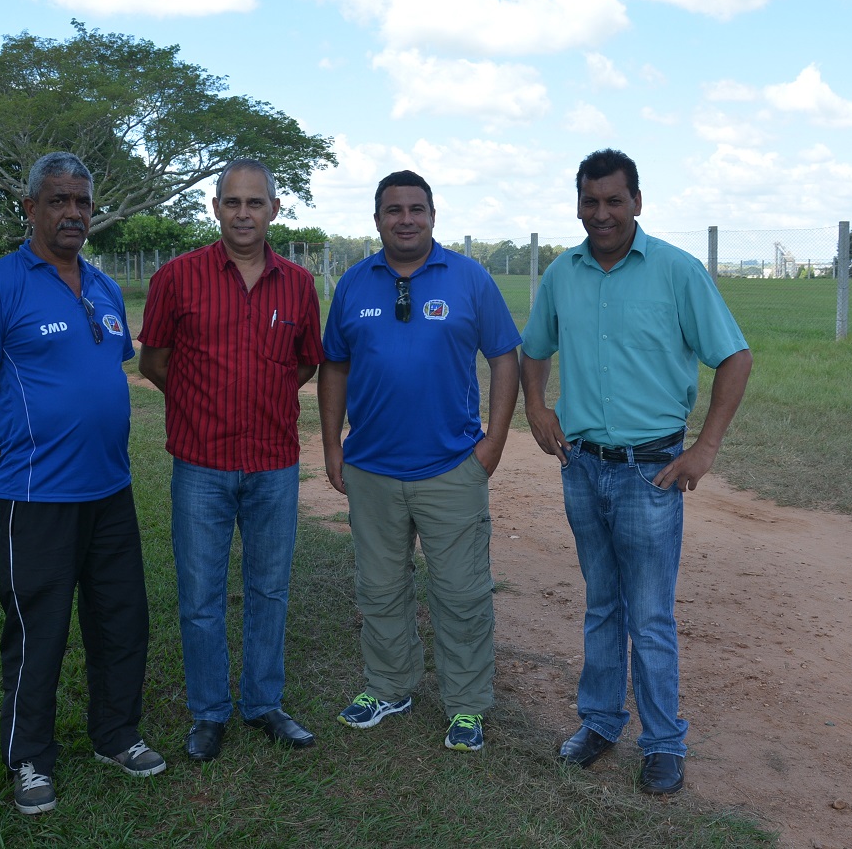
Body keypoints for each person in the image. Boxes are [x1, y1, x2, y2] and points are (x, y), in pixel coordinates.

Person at [520, 148, 752, 796]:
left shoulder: (677, 272)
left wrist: (703, 449)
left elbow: (734, 357)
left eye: (614, 201)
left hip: (652, 475)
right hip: (583, 468)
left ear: (638, 203)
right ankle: (598, 723)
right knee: (601, 604)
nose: (602, 214)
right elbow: (533, 349)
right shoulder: (563, 274)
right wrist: (536, 407)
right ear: (578, 204)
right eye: (590, 201)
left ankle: (662, 743)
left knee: (649, 616)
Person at [0, 151, 164, 816]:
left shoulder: (101, 287)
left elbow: (108, 371)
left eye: (83, 203)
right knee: (38, 632)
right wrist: (18, 450)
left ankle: (115, 733)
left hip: (110, 490)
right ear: (31, 208)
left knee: (121, 621)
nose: (73, 213)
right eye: (59, 201)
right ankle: (31, 759)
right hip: (36, 499)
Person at [318, 169, 521, 753]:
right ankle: (389, 686)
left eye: (416, 209)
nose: (405, 219)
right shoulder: (354, 284)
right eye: (393, 210)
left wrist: (494, 442)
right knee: (379, 588)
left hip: (451, 467)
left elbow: (505, 356)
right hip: (373, 469)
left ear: (434, 215)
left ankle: (465, 705)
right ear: (376, 219)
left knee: (460, 593)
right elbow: (334, 365)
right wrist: (334, 447)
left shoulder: (469, 278)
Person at [138, 158, 324, 762]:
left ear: (274, 210)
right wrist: (202, 405)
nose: (243, 214)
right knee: (200, 593)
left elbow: (303, 364)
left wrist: (256, 399)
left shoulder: (297, 284)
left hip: (273, 463)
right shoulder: (177, 277)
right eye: (232, 202)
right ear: (216, 208)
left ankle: (264, 703)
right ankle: (209, 711)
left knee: (269, 589)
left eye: (255, 203)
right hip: (201, 464)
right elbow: (155, 363)